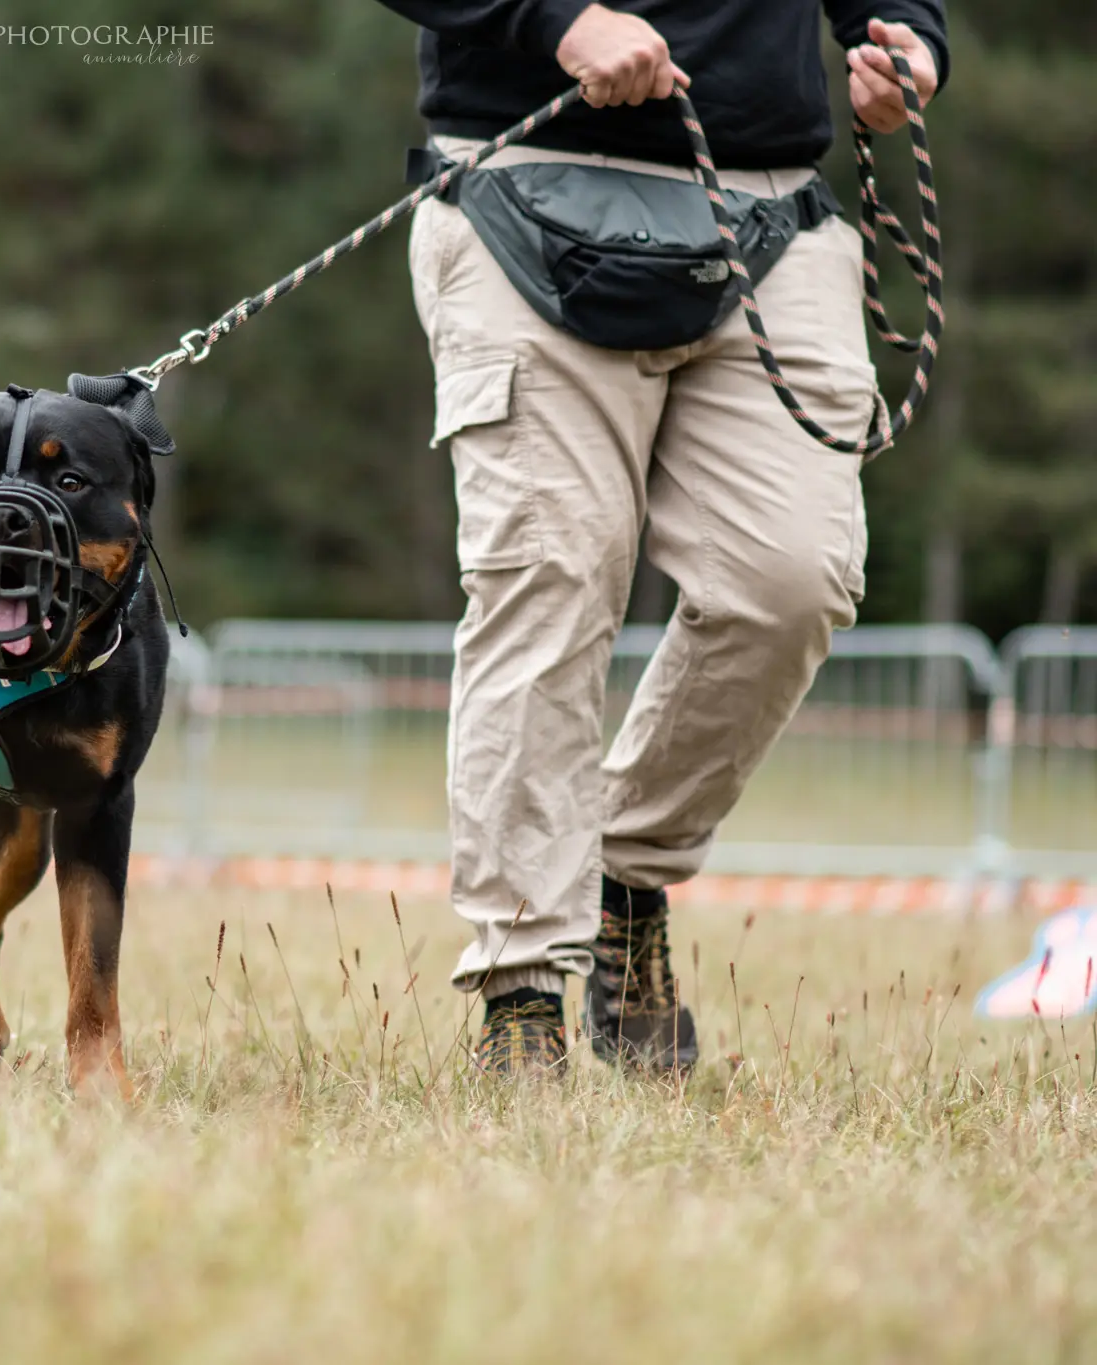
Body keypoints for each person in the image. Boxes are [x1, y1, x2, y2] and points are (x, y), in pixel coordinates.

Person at [370, 1, 947, 1073]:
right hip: (519, 179)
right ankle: (522, 993)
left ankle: (623, 869)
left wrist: (906, 35)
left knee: (792, 581)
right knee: (550, 578)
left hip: (766, 207)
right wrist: (557, 18)